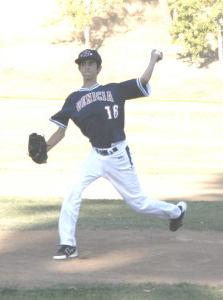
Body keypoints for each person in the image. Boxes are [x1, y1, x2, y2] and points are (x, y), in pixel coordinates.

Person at [46, 49, 187, 260]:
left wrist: (152, 59)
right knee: (72, 191)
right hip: (95, 156)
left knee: (138, 203)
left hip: (118, 155)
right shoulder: (73, 99)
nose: (86, 67)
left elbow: (143, 80)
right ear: (79, 68)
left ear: (99, 68)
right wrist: (45, 149)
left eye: (91, 63)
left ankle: (176, 212)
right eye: (83, 64)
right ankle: (68, 245)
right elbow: (60, 131)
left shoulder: (115, 90)